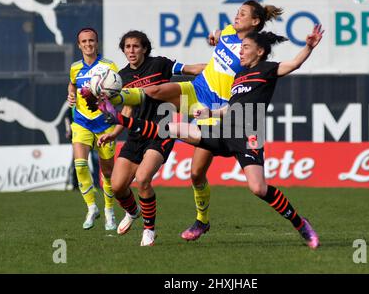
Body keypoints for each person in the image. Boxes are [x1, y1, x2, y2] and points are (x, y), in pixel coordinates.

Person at [98, 24, 324, 249]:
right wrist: (210, 113)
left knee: (258, 188)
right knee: (171, 128)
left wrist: (308, 47)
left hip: (247, 136)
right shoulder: (239, 75)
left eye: (245, 47)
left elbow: (293, 64)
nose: (241, 51)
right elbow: (231, 107)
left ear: (260, 51)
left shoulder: (267, 69)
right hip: (224, 130)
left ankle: (301, 224)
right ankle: (120, 119)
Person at [97, 30, 206, 246]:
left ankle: (149, 230)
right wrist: (113, 134)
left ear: (145, 48)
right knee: (117, 187)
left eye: (136, 46)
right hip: (136, 135)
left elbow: (191, 69)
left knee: (144, 178)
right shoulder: (122, 77)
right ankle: (133, 211)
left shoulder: (160, 64)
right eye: (127, 47)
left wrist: (218, 71)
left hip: (161, 131)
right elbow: (128, 109)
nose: (131, 51)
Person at [67, 27, 119, 230]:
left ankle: (109, 212)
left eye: (91, 41)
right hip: (81, 122)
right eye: (84, 41)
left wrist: (107, 95)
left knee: (107, 173)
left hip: (104, 124)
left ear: (97, 43)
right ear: (79, 45)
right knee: (80, 164)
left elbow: (117, 91)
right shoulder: (74, 68)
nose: (88, 44)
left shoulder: (109, 66)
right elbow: (72, 84)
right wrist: (71, 94)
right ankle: (91, 207)